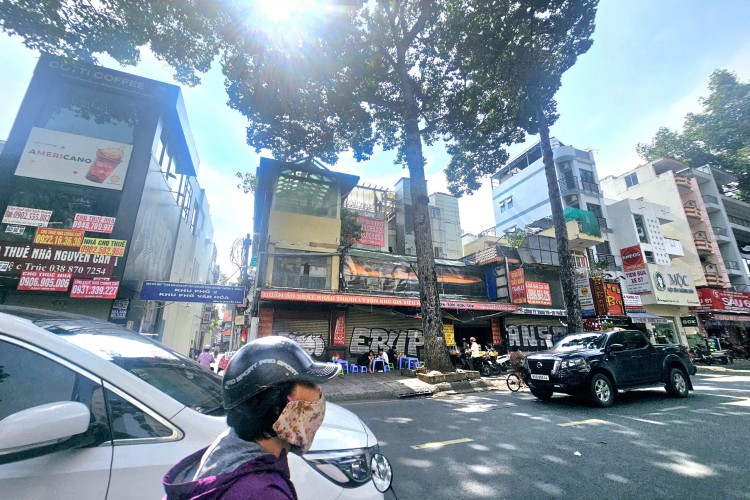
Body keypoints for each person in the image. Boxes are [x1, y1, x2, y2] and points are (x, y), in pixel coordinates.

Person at [163, 336, 340, 499]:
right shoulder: (263, 493)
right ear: (275, 405)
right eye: (309, 383)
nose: (319, 392)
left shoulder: (225, 450)